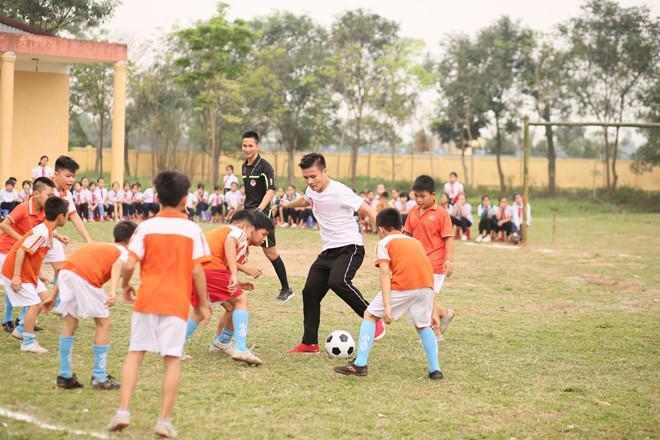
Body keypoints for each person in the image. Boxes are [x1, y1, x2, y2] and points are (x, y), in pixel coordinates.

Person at [107, 171, 211, 438]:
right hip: (176, 303)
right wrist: (204, 304)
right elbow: (198, 272)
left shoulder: (146, 227)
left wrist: (126, 285)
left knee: (135, 354)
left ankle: (122, 411)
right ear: (186, 199)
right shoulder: (192, 230)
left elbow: (129, 264)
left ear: (156, 197)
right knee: (172, 360)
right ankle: (164, 421)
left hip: (147, 300)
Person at [282, 153, 384, 354]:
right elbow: (306, 199)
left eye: (314, 176)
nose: (310, 181)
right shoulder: (312, 191)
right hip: (328, 251)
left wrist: (385, 241)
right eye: (306, 178)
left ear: (324, 171)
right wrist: (288, 204)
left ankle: (373, 318)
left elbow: (370, 211)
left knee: (338, 282)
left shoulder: (340, 191)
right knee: (309, 292)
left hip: (350, 248)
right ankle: (309, 343)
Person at [333, 208, 442, 380]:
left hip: (403, 286)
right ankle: (435, 370)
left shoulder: (384, 243)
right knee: (423, 325)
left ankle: (360, 364)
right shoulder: (415, 242)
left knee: (369, 315)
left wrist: (387, 305)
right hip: (426, 287)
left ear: (381, 229)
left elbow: (385, 273)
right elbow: (428, 271)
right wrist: (434, 308)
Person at [54, 221, 138, 389]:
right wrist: (113, 291)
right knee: (103, 323)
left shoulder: (101, 245)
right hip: (85, 277)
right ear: (132, 239)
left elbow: (68, 267)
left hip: (65, 274)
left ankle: (65, 375)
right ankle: (99, 377)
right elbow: (117, 265)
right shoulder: (122, 251)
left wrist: (53, 294)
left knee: (70, 322)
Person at [186, 210, 273, 365]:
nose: (263, 239)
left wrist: (237, 282)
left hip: (196, 270)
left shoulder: (225, 233)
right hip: (209, 269)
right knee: (240, 300)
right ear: (245, 226)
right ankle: (240, 348)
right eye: (261, 233)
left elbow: (223, 258)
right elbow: (229, 244)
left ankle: (177, 347)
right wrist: (234, 273)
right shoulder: (237, 231)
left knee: (205, 310)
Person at [0, 197, 69, 353]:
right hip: (15, 272)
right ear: (60, 217)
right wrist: (16, 277)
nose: (67, 218)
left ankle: (21, 329)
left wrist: (39, 274)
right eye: (67, 215)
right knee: (35, 304)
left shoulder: (47, 230)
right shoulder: (42, 233)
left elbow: (33, 256)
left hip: (28, 272)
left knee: (46, 301)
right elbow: (21, 250)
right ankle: (28, 342)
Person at [240, 131, 292, 302]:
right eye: (244, 145)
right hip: (247, 214)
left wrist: (260, 210)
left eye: (250, 146)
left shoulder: (265, 167)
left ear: (257, 146)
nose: (247, 149)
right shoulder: (244, 166)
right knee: (236, 245)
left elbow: (270, 190)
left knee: (270, 253)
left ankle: (286, 288)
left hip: (262, 215)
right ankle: (230, 284)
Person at [0, 177, 56, 333]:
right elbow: (4, 225)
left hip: (23, 250)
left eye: (53, 196)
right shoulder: (23, 208)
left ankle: (23, 321)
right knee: (17, 285)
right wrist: (22, 240)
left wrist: (58, 236)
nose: (51, 199)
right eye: (48, 195)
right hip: (7, 250)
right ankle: (8, 320)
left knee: (29, 285)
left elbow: (43, 228)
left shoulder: (44, 211)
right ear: (36, 194)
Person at [403, 175, 455, 341]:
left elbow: (448, 238)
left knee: (427, 297)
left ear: (433, 195)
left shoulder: (441, 214)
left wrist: (449, 259)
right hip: (417, 262)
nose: (418, 200)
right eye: (416, 196)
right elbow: (407, 235)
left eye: (422, 196)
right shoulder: (413, 212)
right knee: (422, 296)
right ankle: (444, 313)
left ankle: (435, 334)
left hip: (436, 263)